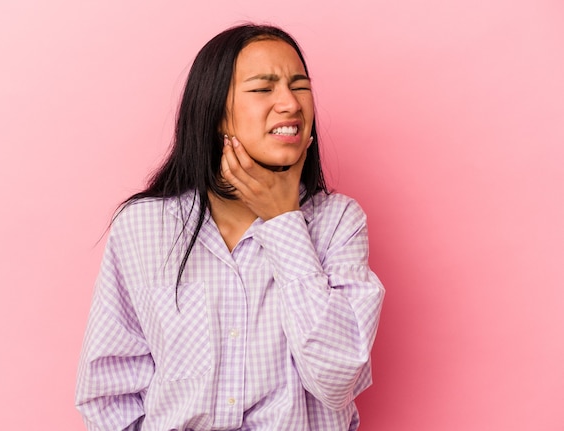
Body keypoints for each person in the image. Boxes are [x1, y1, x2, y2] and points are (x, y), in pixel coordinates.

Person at [75, 23, 384, 430]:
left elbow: (338, 378)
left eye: (300, 86)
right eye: (263, 88)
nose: (290, 104)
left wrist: (283, 221)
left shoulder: (338, 222)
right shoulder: (144, 227)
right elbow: (107, 390)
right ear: (216, 112)